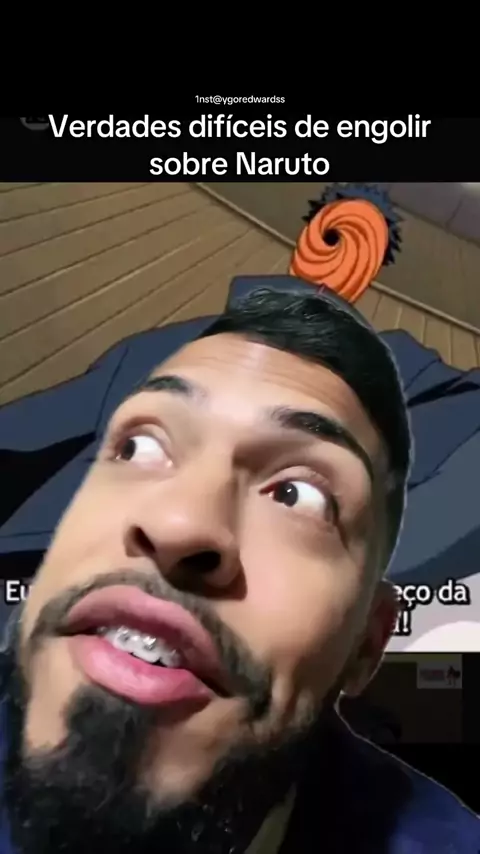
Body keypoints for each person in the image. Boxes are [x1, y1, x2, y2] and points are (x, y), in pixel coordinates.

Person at [0, 191, 478, 854]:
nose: (179, 524)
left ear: (368, 644)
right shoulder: (158, 353)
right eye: (139, 447)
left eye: (297, 495)